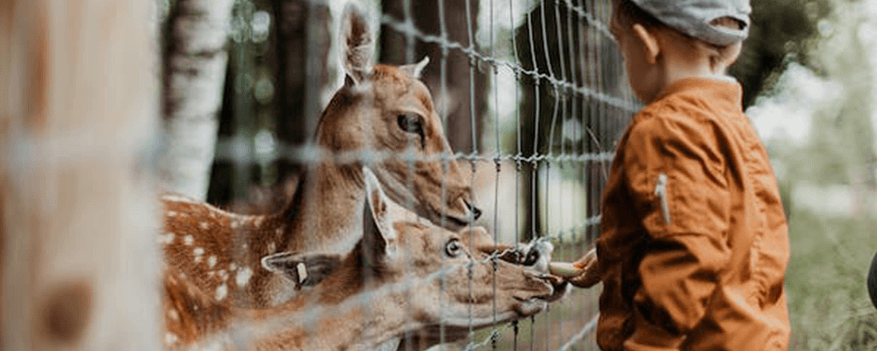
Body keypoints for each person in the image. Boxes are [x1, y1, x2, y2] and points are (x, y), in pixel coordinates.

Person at [560, 0, 791, 349]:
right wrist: (613, 257)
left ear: (646, 44)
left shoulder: (665, 131)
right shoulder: (735, 126)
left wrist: (648, 344)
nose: (625, 63)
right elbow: (719, 230)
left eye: (622, 50)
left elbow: (687, 254)